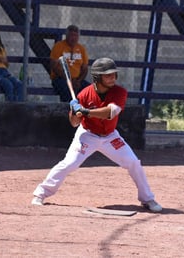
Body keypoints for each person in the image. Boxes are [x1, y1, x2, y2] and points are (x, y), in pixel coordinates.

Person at [32, 57, 162, 213]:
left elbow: (111, 112)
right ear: (97, 77)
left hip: (110, 136)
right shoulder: (84, 95)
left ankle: (147, 199)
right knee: (69, 164)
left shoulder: (119, 92)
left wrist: (86, 111)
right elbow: (74, 123)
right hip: (88, 135)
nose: (112, 77)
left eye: (114, 74)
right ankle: (41, 193)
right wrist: (74, 112)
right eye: (107, 75)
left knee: (133, 162)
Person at [49, 25, 90, 102]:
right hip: (61, 78)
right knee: (68, 91)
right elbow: (54, 66)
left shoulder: (81, 49)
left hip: (77, 80)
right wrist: (69, 79)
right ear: (67, 36)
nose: (73, 38)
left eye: (75, 35)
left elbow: (85, 69)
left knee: (91, 90)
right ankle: (66, 111)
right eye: (71, 35)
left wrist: (78, 81)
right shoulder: (59, 46)